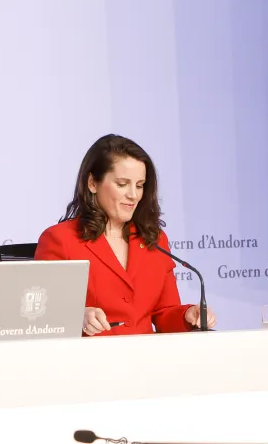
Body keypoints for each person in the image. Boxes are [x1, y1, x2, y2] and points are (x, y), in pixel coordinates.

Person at [34, 134, 216, 336]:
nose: (133, 195)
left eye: (139, 185)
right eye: (122, 184)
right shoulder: (60, 239)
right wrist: (79, 316)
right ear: (92, 183)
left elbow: (164, 313)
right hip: (87, 362)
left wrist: (187, 315)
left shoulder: (154, 239)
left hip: (146, 361)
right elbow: (43, 315)